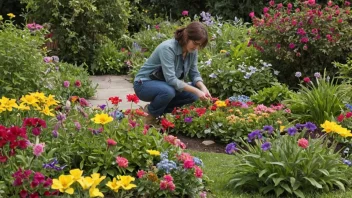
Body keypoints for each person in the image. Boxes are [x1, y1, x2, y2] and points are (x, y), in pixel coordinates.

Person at [133, 21, 211, 125]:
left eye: (199, 45)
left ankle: (161, 114)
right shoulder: (168, 48)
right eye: (195, 43)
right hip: (144, 84)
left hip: (165, 85)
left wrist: (202, 88)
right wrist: (196, 91)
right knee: (168, 91)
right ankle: (149, 115)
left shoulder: (192, 51)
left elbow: (194, 73)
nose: (196, 47)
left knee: (193, 95)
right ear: (186, 36)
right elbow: (171, 79)